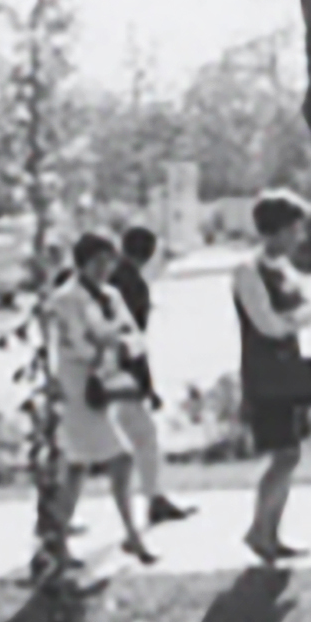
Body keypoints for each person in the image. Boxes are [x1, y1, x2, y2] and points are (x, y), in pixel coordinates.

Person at [52, 232, 157, 566]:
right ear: (81, 263)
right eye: (96, 262)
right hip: (79, 387)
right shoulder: (67, 299)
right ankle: (132, 534)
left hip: (106, 383)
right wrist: (113, 342)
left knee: (77, 467)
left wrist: (117, 343)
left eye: (108, 262)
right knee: (119, 457)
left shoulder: (111, 296)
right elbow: (79, 344)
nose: (103, 269)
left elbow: (135, 338)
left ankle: (58, 539)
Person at [234, 191, 311, 563]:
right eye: (294, 229)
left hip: (289, 365)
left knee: (292, 452)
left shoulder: (285, 271)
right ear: (276, 230)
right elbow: (267, 323)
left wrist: (293, 319)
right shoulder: (248, 271)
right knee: (283, 452)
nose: (299, 237)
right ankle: (260, 529)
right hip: (265, 369)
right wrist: (293, 319)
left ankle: (272, 530)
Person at [105, 225, 194, 530]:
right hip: (121, 373)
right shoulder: (133, 286)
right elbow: (133, 340)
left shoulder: (109, 279)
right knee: (144, 437)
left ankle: (57, 513)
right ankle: (154, 499)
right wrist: (147, 384)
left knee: (90, 441)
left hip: (97, 370)